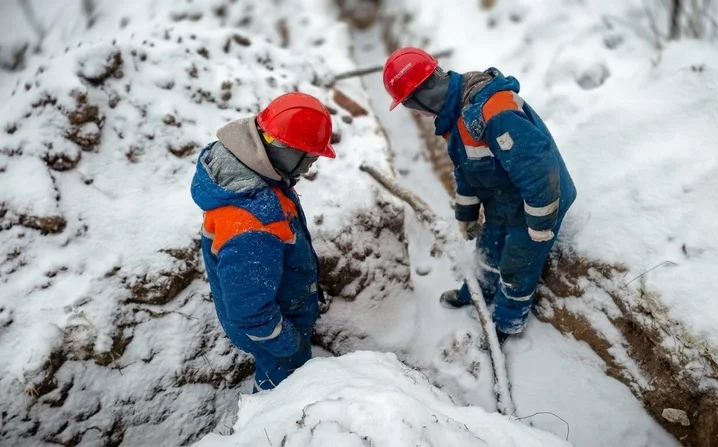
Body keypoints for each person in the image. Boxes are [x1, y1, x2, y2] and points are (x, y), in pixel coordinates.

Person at [382, 47, 577, 347]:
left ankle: (507, 322)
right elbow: (467, 170)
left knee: (517, 264)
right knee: (488, 248)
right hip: (504, 197)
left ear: (425, 90)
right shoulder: (455, 116)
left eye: (410, 104)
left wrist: (539, 223)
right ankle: (479, 292)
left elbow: (538, 170)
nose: (416, 113)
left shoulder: (493, 111)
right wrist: (467, 215)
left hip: (535, 200)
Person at [190, 92, 335, 392]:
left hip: (278, 305)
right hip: (273, 334)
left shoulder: (252, 165)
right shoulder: (253, 225)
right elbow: (251, 313)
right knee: (283, 384)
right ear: (284, 148)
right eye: (308, 157)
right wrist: (290, 344)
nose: (310, 167)